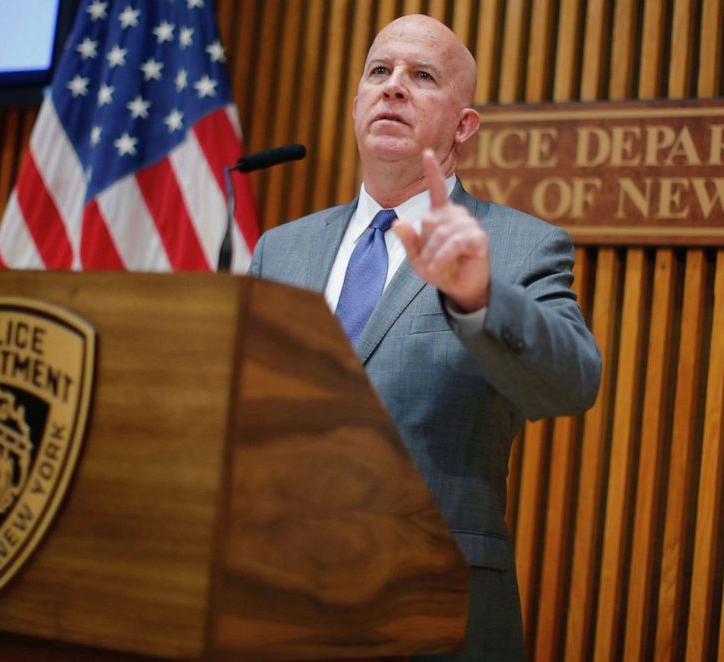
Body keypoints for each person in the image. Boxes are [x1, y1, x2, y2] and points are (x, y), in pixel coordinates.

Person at [248, 14, 601, 661]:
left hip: (436, 613)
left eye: (422, 76)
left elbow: (573, 382)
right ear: (356, 102)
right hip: (274, 600)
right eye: (379, 72)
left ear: (463, 126)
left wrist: (479, 297)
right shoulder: (281, 250)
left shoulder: (517, 244)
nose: (393, 87)